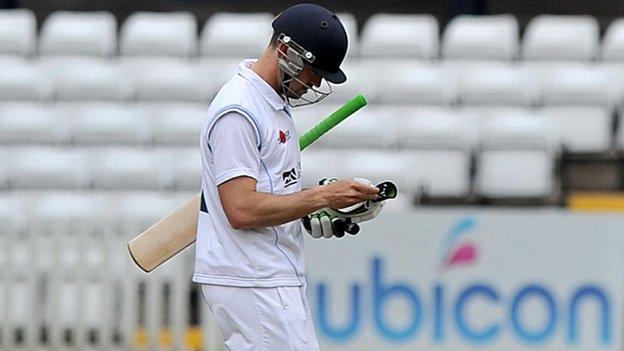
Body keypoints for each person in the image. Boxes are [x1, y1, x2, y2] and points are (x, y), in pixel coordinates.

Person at [193, 4, 379, 350]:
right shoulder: (239, 109)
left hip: (270, 274)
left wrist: (314, 208)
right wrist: (324, 197)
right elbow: (241, 210)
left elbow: (271, 193)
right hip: (252, 277)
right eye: (314, 71)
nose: (316, 84)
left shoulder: (270, 104)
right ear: (286, 51)